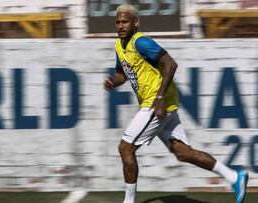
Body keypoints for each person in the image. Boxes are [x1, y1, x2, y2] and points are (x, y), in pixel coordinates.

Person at [103, 4, 249, 203]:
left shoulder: (142, 42)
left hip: (156, 102)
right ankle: (234, 177)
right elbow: (123, 73)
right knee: (183, 152)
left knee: (125, 148)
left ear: (135, 23)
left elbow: (170, 64)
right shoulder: (119, 46)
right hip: (159, 103)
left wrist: (160, 98)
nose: (120, 26)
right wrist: (114, 81)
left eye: (125, 22)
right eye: (118, 22)